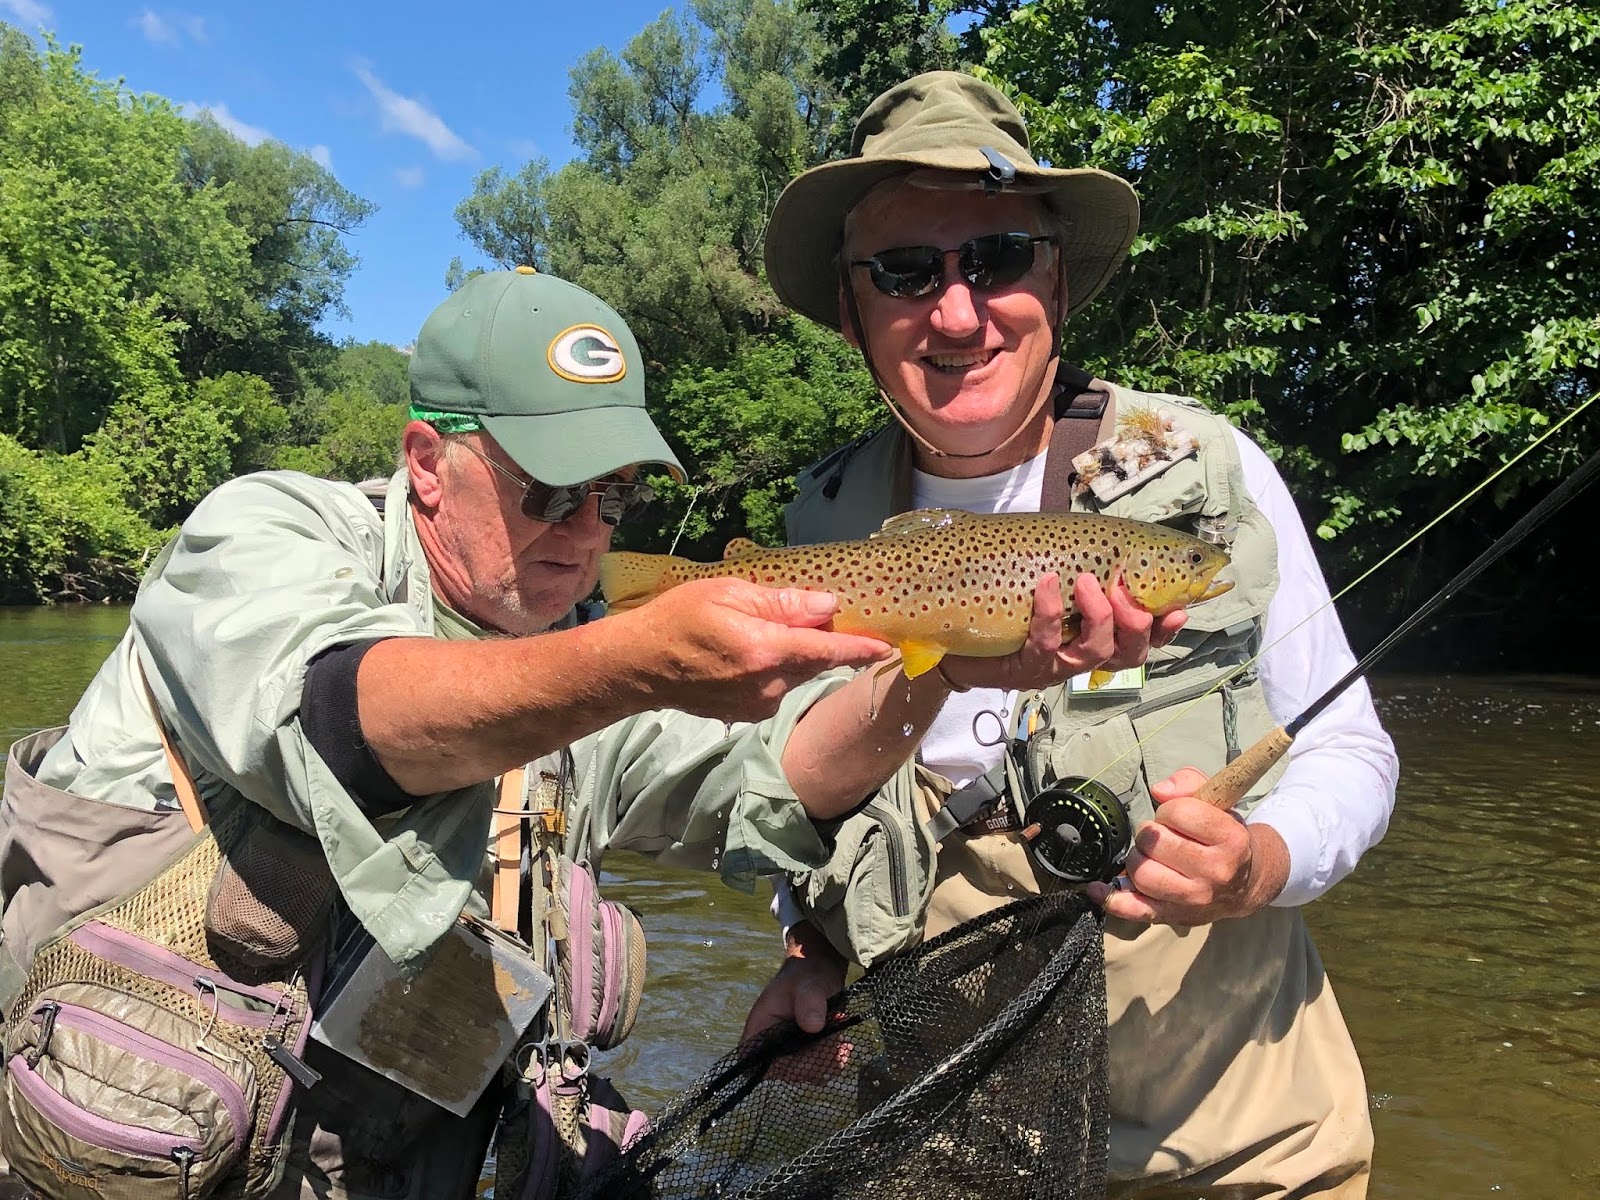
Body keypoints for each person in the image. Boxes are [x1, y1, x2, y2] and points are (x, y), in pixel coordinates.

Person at [1, 267, 929, 1198]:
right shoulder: (264, 533)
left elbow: (781, 782)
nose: (587, 534)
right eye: (552, 492)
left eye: (615, 498)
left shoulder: (562, 652)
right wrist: (639, 658)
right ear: (426, 461)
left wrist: (948, 660)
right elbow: (337, 722)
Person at [749, 72, 1399, 1200]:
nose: (957, 312)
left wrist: (1259, 861)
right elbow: (789, 799)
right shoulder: (820, 526)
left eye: (995, 258)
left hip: (1238, 1142)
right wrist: (808, 949)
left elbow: (1351, 751)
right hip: (946, 1126)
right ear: (852, 309)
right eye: (905, 272)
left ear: (1053, 278)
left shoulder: (1210, 473)